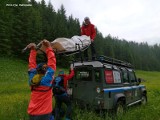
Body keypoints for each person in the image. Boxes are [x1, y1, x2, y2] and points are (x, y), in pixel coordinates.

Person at [27, 40, 56, 120]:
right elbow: (52, 64)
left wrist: (33, 50)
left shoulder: (32, 80)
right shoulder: (46, 81)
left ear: (37, 71)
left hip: (32, 113)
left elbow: (32, 66)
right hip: (45, 114)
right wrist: (49, 47)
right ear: (45, 71)